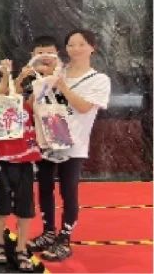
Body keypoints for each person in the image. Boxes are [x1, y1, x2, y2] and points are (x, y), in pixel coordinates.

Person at [29, 29, 110, 262]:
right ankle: (48, 232)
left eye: (81, 44)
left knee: (68, 191)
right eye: (71, 45)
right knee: (44, 188)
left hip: (74, 144)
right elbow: (37, 102)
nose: (75, 49)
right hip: (48, 139)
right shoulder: (57, 70)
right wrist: (39, 78)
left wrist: (62, 86)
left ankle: (64, 239)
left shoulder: (99, 79)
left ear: (92, 47)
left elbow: (84, 108)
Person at [0, 54, 47, 272]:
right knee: (2, 208)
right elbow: (2, 93)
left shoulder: (27, 104)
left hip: (25, 164)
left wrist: (34, 76)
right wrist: (8, 74)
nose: (10, 89)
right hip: (1, 163)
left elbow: (39, 96)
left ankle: (21, 248)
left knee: (25, 209)